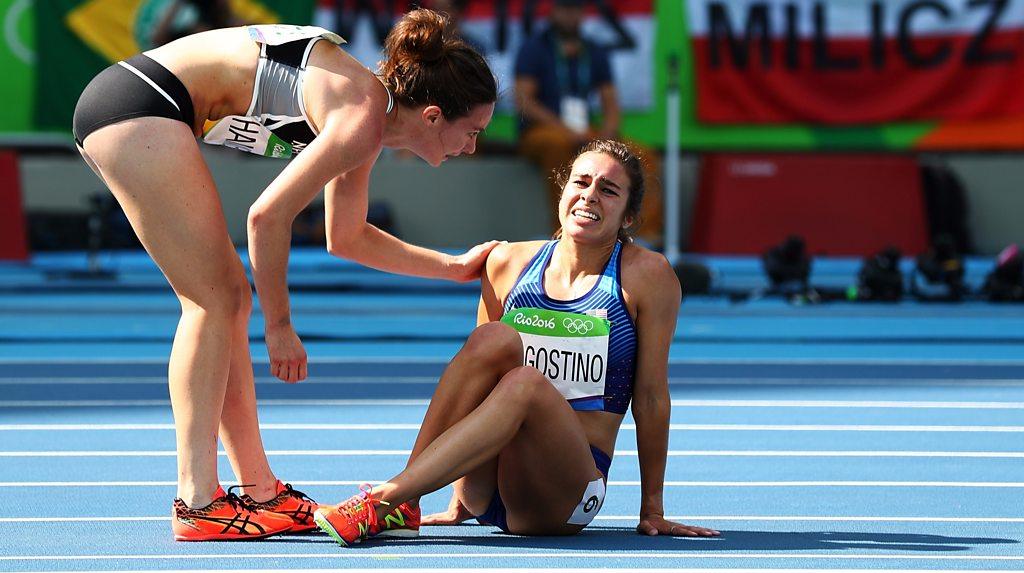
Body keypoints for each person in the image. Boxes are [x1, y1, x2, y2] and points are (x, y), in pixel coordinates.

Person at [72, 9, 498, 541]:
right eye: (473, 130)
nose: (473, 147)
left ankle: (260, 491)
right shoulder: (362, 118)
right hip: (139, 103)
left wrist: (452, 267)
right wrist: (280, 326)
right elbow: (266, 216)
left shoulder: (369, 118)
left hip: (139, 103)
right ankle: (197, 501)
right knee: (213, 299)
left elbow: (347, 236)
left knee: (225, 297)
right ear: (433, 116)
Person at [314, 140, 719, 544]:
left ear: (629, 216)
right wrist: (458, 502)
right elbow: (474, 379)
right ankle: (407, 499)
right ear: (563, 192)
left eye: (608, 190)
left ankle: (389, 497)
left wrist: (653, 510)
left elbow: (649, 398)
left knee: (524, 384)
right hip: (484, 487)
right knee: (492, 339)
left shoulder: (647, 276)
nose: (590, 195)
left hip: (565, 495)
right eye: (581, 182)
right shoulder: (507, 263)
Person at [514, 0, 663, 246]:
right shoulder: (534, 47)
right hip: (543, 132)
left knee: (642, 156)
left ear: (583, 13)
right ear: (553, 11)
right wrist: (564, 129)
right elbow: (524, 102)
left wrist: (608, 132)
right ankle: (565, 232)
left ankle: (643, 238)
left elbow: (611, 102)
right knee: (559, 147)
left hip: (584, 131)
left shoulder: (593, 50)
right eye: (565, 8)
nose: (570, 15)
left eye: (576, 9)